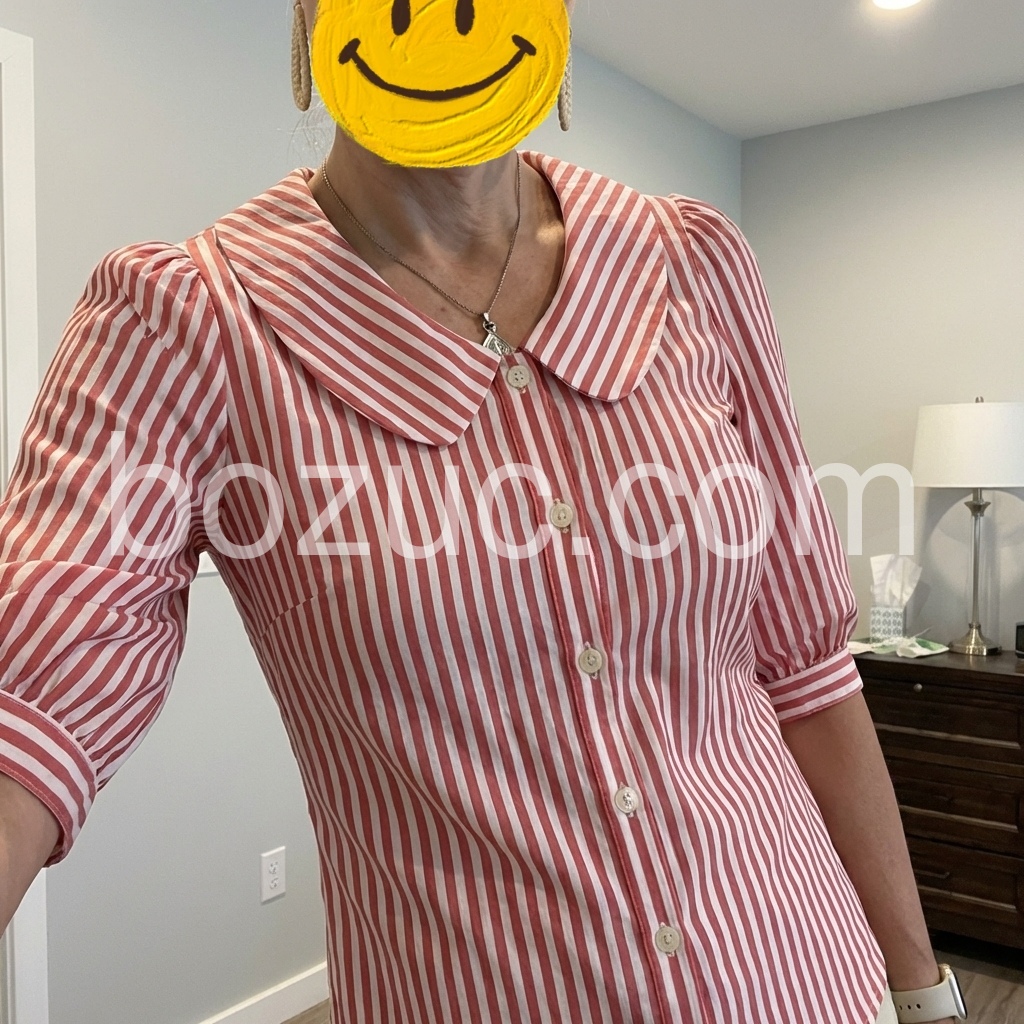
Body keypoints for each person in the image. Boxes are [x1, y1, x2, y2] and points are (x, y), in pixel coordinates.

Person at [0, 2, 963, 1022]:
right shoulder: (187, 321)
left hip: (800, 973)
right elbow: (32, 711)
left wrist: (919, 990)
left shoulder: (691, 264)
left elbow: (807, 675)